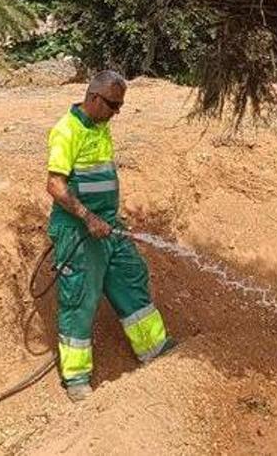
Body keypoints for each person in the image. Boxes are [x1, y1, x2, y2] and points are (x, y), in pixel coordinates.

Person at [44, 70, 174, 400]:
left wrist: (106, 217)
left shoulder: (101, 127)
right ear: (94, 98)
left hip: (109, 227)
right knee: (80, 300)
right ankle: (76, 378)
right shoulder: (66, 130)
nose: (117, 112)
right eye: (114, 105)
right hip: (79, 232)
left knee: (131, 278)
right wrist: (87, 217)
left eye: (121, 106)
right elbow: (54, 185)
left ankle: (154, 348)